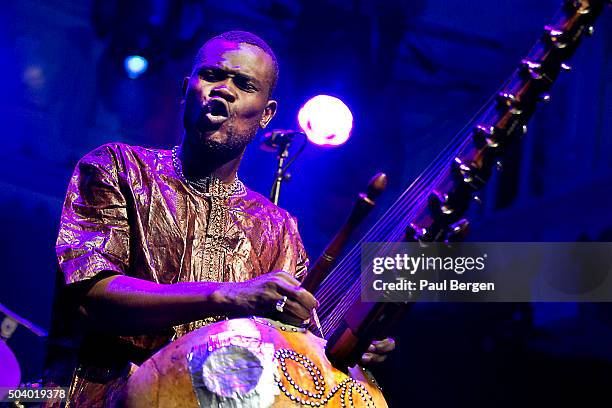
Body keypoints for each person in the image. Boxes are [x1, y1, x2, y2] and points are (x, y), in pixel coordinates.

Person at [44, 31, 394, 407]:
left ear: (267, 114)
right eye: (212, 75)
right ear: (186, 89)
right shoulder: (117, 167)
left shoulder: (279, 231)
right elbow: (90, 298)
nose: (224, 90)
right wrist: (226, 295)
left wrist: (351, 350)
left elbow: (297, 357)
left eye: (244, 84)